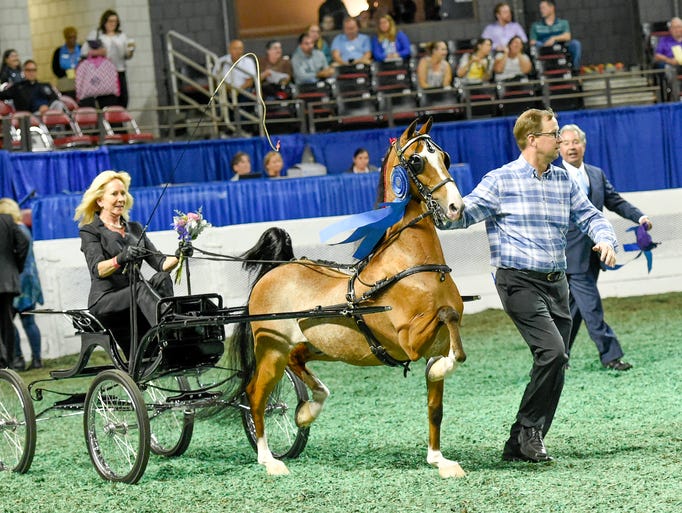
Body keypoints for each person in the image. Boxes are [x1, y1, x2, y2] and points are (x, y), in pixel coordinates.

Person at [443, 108, 617, 462]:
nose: (560, 140)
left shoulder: (563, 180)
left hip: (557, 284)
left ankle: (520, 441)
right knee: (553, 352)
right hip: (518, 282)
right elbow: (462, 216)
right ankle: (530, 432)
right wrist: (446, 208)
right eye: (554, 134)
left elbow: (590, 216)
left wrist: (606, 238)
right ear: (532, 139)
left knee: (557, 360)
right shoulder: (501, 180)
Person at [558, 124, 652, 371]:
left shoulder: (596, 173)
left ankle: (557, 356)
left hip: (596, 253)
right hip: (568, 254)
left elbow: (615, 201)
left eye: (575, 141)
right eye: (565, 142)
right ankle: (611, 355)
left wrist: (640, 218)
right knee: (591, 306)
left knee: (575, 307)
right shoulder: (553, 175)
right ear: (558, 148)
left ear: (584, 145)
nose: (571, 147)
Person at [74, 171, 178, 356]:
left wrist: (181, 254)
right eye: (114, 194)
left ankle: (170, 327)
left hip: (134, 293)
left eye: (123, 193)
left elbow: (161, 264)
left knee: (162, 278)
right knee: (139, 288)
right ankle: (167, 328)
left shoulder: (135, 228)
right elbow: (97, 269)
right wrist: (121, 258)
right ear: (100, 201)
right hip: (106, 299)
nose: (121, 198)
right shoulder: (90, 231)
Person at [0, 199, 43, 371]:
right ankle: (36, 359)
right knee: (27, 321)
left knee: (12, 322)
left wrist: (16, 267)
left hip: (19, 279)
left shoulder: (15, 229)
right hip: (27, 280)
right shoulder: (22, 229)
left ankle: (18, 358)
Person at [82, 9, 135, 107]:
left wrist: (130, 51)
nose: (113, 24)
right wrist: (98, 52)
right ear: (104, 22)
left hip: (119, 71)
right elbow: (84, 51)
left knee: (123, 101)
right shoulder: (97, 34)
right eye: (110, 21)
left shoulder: (121, 35)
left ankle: (119, 121)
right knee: (109, 102)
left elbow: (126, 55)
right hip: (104, 73)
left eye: (115, 21)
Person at [0, 203, 29, 369]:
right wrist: (16, 265)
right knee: (7, 322)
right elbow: (23, 241)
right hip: (8, 280)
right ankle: (8, 361)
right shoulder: (7, 220)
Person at [529, 0, 581, 72]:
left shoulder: (563, 23)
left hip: (560, 47)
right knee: (537, 45)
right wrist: (544, 44)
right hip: (544, 47)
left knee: (575, 44)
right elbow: (532, 41)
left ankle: (575, 71)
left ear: (552, 8)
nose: (541, 10)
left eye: (543, 8)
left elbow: (567, 36)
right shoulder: (535, 25)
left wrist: (554, 38)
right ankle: (540, 72)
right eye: (540, 8)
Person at [0, 60, 67, 115]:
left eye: (34, 70)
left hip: (49, 111)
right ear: (24, 71)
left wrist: (46, 106)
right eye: (28, 70)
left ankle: (61, 126)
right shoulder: (17, 87)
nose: (31, 73)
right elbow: (2, 95)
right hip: (31, 115)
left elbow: (55, 98)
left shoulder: (45, 85)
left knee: (59, 104)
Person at [51, 26, 81, 98]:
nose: (72, 40)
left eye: (74, 37)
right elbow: (55, 69)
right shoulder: (58, 51)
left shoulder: (81, 49)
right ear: (66, 38)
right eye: (70, 37)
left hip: (80, 82)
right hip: (65, 84)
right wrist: (67, 72)